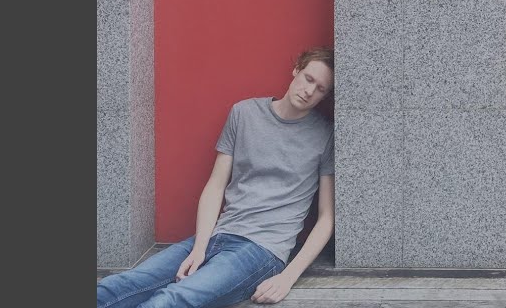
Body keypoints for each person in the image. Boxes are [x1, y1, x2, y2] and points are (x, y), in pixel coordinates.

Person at [98, 48, 335, 307]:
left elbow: (326, 217)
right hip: (218, 235)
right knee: (120, 285)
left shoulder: (324, 135)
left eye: (320, 89)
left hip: (262, 251)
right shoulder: (244, 113)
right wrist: (200, 248)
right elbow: (216, 185)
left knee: (169, 300)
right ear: (297, 70)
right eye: (308, 79)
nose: (309, 91)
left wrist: (288, 277)